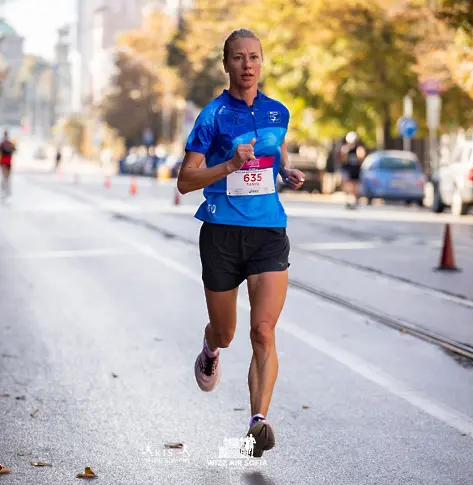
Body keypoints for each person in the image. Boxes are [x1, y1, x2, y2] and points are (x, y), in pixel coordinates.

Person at [176, 28, 305, 459]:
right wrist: (230, 163)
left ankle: (257, 422)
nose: (247, 65)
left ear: (262, 63)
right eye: (238, 58)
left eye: (254, 57)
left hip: (268, 229)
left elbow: (273, 153)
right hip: (221, 232)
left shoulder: (278, 112)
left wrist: (284, 172)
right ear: (226, 64)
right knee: (229, 333)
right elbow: (186, 179)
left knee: (263, 330)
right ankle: (210, 349)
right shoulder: (211, 117)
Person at [339, 131, 366, 209]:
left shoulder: (359, 148)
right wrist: (345, 153)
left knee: (355, 186)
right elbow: (343, 160)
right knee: (347, 185)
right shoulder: (345, 148)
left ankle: (355, 201)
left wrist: (359, 154)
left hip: (356, 169)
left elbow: (361, 158)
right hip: (348, 169)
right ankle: (348, 200)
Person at [0, 130, 16, 199]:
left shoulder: (2, 143)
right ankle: (6, 188)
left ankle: (4, 188)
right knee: (7, 177)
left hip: (4, 161)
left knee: (4, 176)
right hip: (8, 161)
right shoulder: (10, 143)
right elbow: (14, 150)